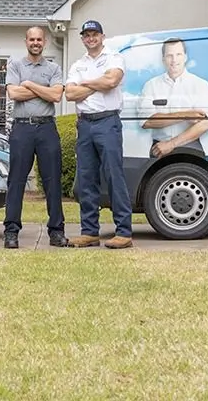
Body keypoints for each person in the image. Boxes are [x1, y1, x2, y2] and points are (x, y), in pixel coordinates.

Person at [64, 20, 133, 249]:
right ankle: (90, 232)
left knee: (114, 176)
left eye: (94, 34)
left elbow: (112, 80)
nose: (90, 38)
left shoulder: (113, 57)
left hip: (107, 122)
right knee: (86, 179)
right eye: (86, 35)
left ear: (102, 36)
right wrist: (98, 83)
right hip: (85, 125)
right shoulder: (78, 64)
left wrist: (86, 83)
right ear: (82, 38)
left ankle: (123, 232)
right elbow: (71, 94)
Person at [3, 26, 70, 249]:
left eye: (39, 39)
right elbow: (14, 93)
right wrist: (45, 91)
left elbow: (56, 95)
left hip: (46, 129)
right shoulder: (15, 65)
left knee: (52, 181)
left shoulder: (53, 67)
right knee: (16, 181)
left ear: (45, 41)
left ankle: (57, 231)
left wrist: (29, 85)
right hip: (22, 129)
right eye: (31, 39)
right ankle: (11, 231)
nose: (35, 42)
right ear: (26, 41)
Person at [140, 38, 208, 157]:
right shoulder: (151, 85)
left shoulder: (200, 84)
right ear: (163, 59)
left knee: (194, 176)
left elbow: (206, 123)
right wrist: (185, 115)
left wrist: (171, 144)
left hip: (191, 146)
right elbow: (146, 121)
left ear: (185, 57)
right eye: (169, 55)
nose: (174, 60)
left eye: (178, 54)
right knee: (158, 176)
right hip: (158, 148)